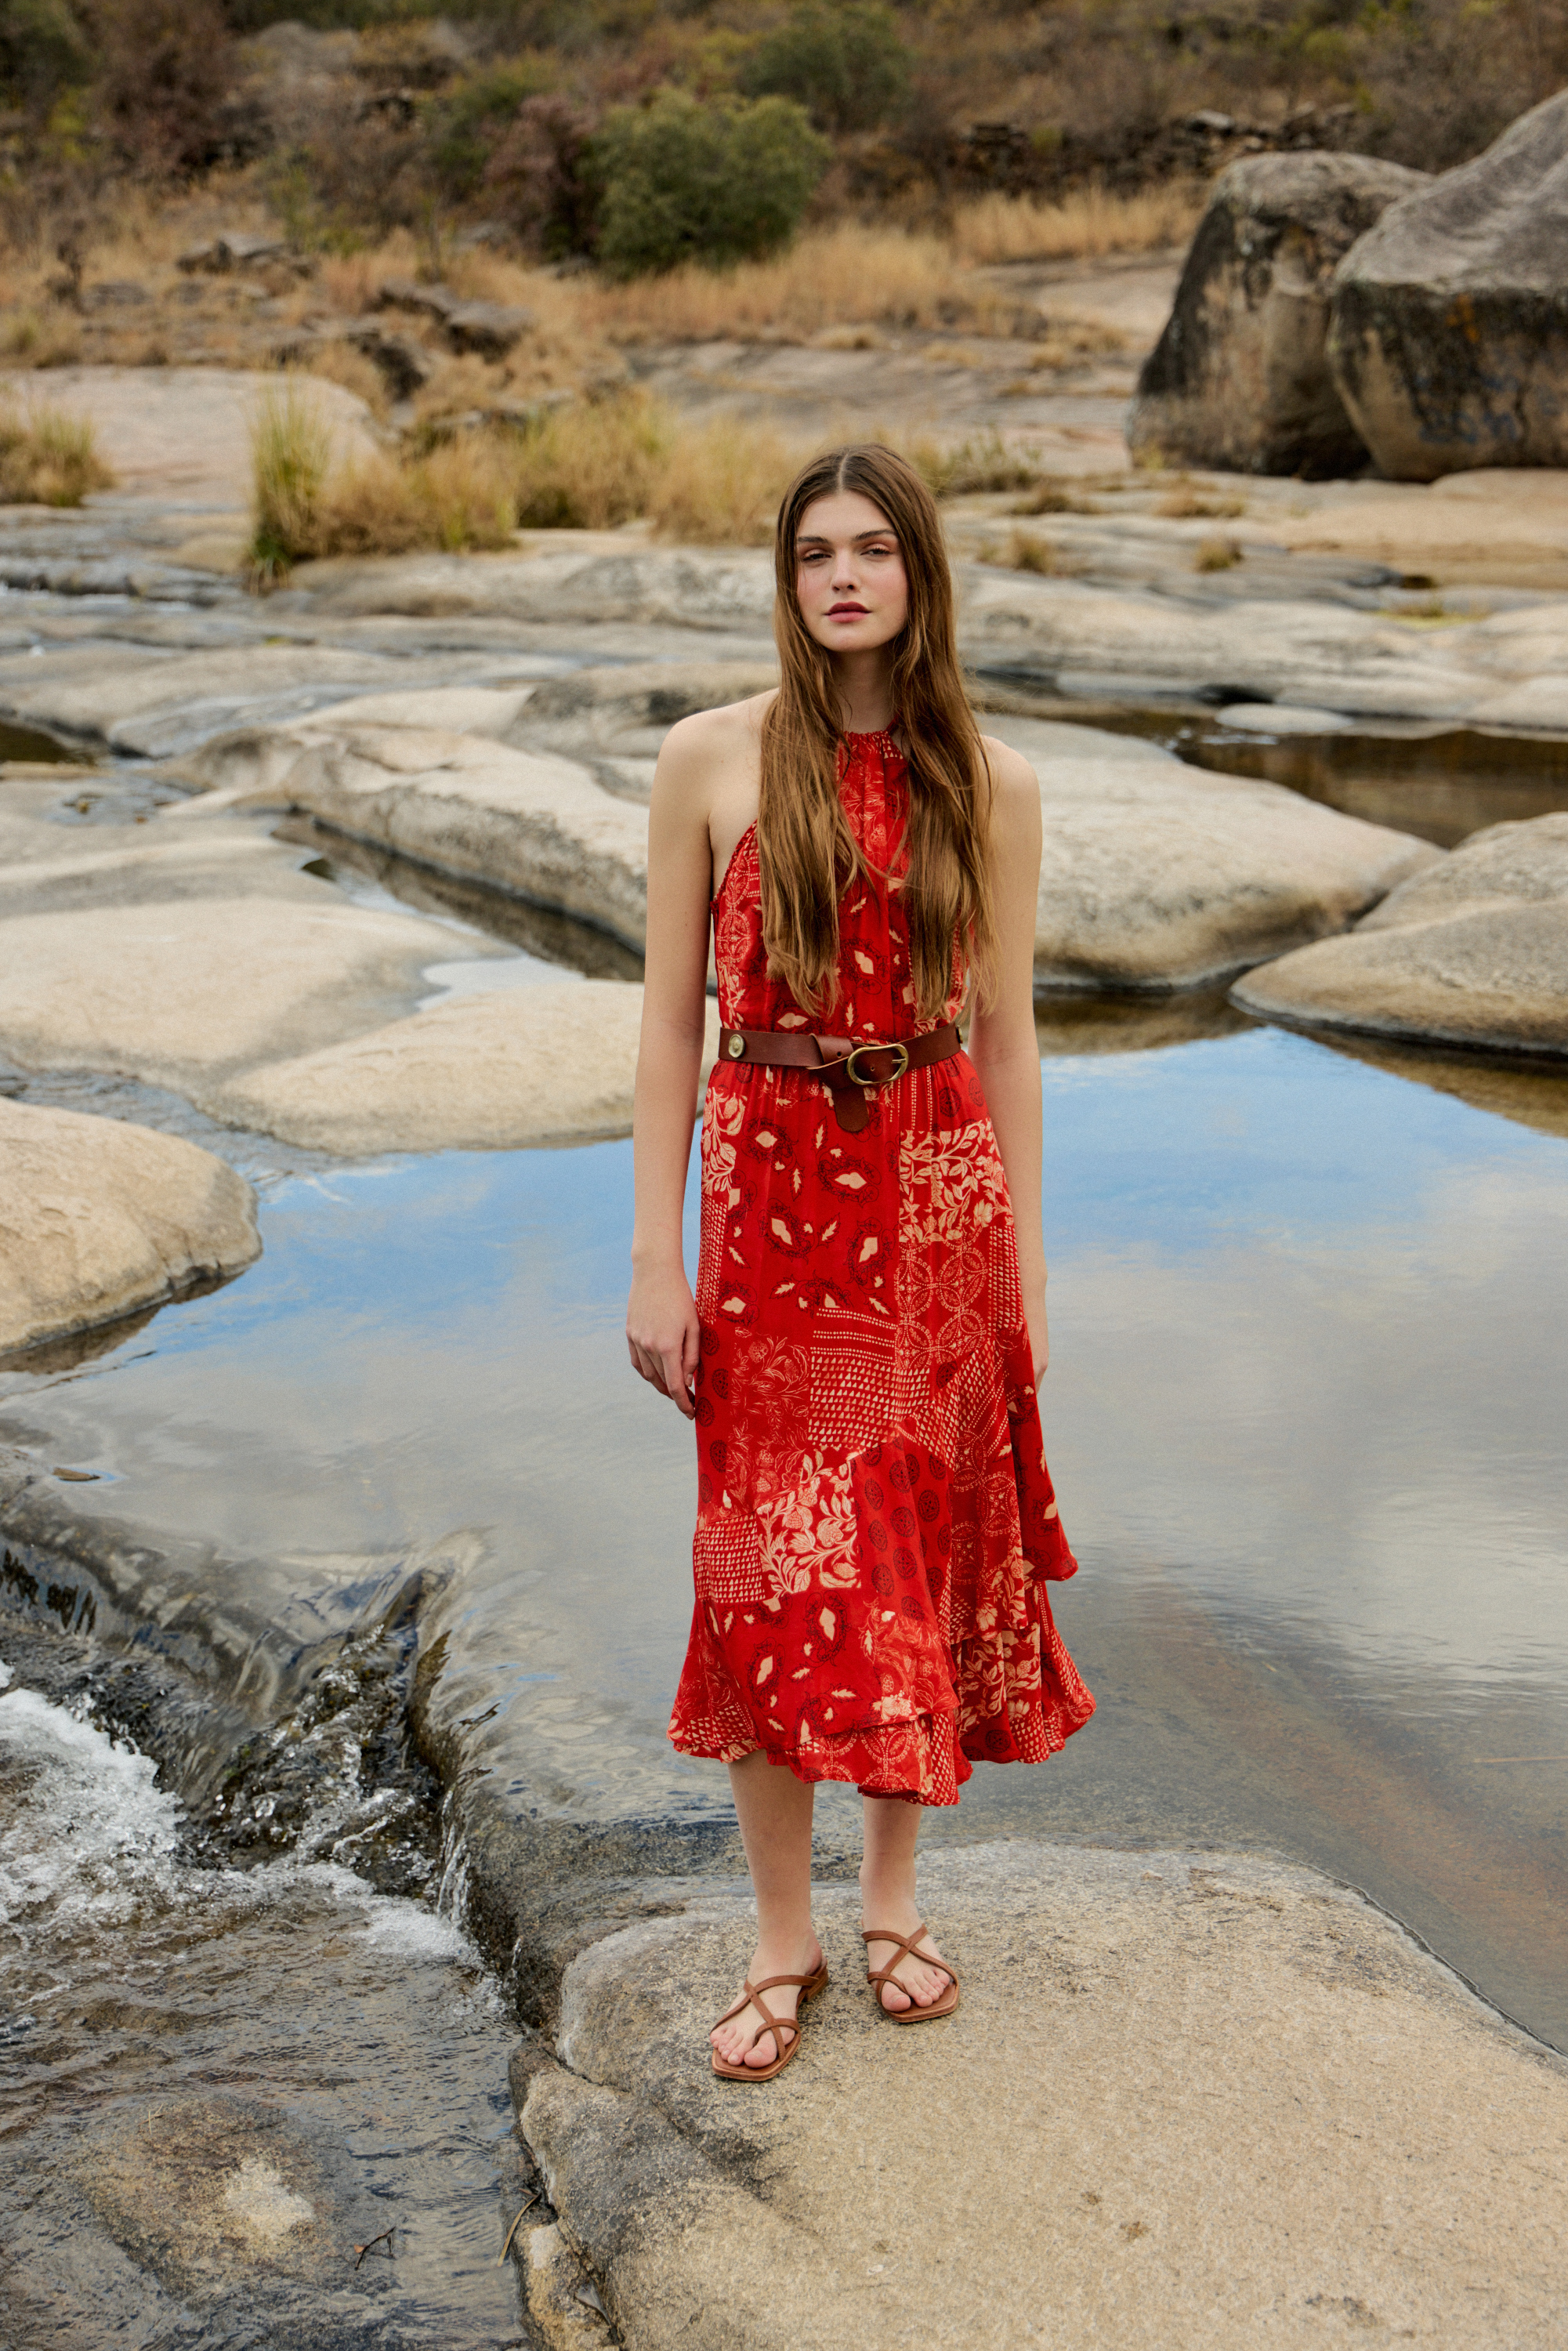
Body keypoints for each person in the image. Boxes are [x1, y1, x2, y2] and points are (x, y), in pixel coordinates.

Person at [626, 444, 1094, 2082]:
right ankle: (781, 1937)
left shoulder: (990, 778)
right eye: (815, 551)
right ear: (785, 578)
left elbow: (1012, 1038)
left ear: (918, 574)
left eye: (872, 550)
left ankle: (890, 1901)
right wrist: (649, 1260)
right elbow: (668, 1028)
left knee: (904, 1562)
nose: (842, 576)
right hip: (764, 1210)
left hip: (935, 1203)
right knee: (763, 1572)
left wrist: (1023, 1269)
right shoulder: (711, 760)